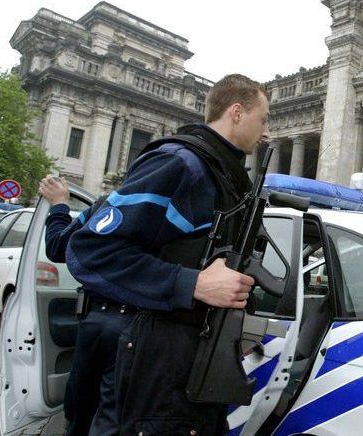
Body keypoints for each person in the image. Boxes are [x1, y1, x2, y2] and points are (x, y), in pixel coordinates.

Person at [66, 74, 270, 435]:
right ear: (236, 112)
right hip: (153, 366)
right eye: (263, 119)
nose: (266, 131)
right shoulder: (181, 163)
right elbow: (89, 250)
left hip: (187, 362)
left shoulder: (222, 175)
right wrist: (192, 283)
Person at [38, 175, 126, 436]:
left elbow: (57, 247)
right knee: (114, 417)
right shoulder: (179, 216)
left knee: (81, 414)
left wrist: (59, 205)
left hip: (97, 323)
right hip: (141, 330)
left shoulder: (107, 206)